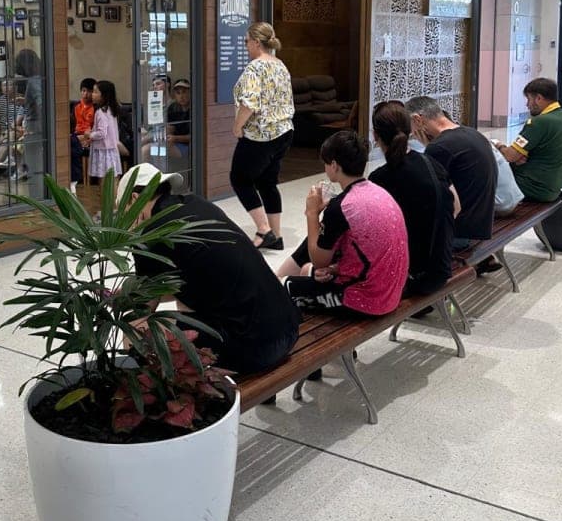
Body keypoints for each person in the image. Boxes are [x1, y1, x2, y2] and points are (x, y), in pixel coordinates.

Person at [118, 163, 299, 374]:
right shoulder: (197, 204)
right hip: (286, 327)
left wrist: (118, 303)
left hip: (254, 348)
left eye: (121, 209)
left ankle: (150, 393)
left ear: (133, 199)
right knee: (186, 302)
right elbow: (189, 283)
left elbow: (143, 308)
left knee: (135, 328)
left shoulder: (151, 235)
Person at [278, 130, 409, 317]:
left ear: (334, 165)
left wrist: (312, 213)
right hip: (392, 291)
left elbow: (318, 259)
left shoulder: (342, 206)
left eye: (325, 163)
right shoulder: (378, 192)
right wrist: (335, 269)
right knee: (309, 270)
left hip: (364, 299)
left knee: (283, 289)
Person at [369, 101, 455, 295]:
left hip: (414, 277)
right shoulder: (430, 162)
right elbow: (456, 206)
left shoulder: (380, 178)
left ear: (375, 135)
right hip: (441, 267)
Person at [230, 22, 294, 250]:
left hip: (261, 135)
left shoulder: (255, 68)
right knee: (267, 182)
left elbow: (249, 103)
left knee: (239, 179)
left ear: (257, 42)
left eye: (247, 41)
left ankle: (263, 229)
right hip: (284, 132)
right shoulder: (280, 65)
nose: (246, 45)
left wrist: (238, 127)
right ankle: (276, 236)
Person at [405, 95, 496, 249]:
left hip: (459, 232)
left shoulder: (441, 146)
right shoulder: (472, 133)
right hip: (481, 224)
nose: (412, 134)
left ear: (417, 120)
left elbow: (427, 193)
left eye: (411, 129)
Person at [495, 78, 562, 203]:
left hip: (530, 187)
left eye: (528, 99)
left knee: (478, 179)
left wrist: (497, 145)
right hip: (550, 189)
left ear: (538, 98)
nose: (527, 105)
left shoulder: (540, 122)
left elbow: (510, 156)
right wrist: (521, 157)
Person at [15, 48, 44, 197]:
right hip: (37, 124)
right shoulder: (41, 78)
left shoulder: (33, 81)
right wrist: (25, 101)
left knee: (33, 164)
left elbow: (41, 103)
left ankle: (36, 196)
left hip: (34, 125)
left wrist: (34, 129)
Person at [89, 79, 123, 182]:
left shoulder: (100, 112)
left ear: (103, 95)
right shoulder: (111, 110)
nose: (92, 95)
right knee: (114, 179)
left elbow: (102, 133)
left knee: (104, 181)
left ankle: (107, 198)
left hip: (103, 151)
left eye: (95, 92)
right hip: (112, 149)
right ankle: (115, 198)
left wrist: (90, 135)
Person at [0, 77, 25, 174]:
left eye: (9, 85)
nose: (6, 88)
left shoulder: (20, 99)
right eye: (4, 85)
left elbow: (18, 121)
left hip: (17, 130)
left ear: (15, 87)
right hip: (3, 130)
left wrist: (7, 131)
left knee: (8, 138)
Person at [166, 78, 191, 160]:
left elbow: (194, 137)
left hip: (190, 146)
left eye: (184, 92)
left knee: (149, 150)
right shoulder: (173, 108)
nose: (181, 96)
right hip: (174, 142)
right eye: (178, 93)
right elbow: (170, 128)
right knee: (150, 147)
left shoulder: (196, 108)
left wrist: (175, 138)